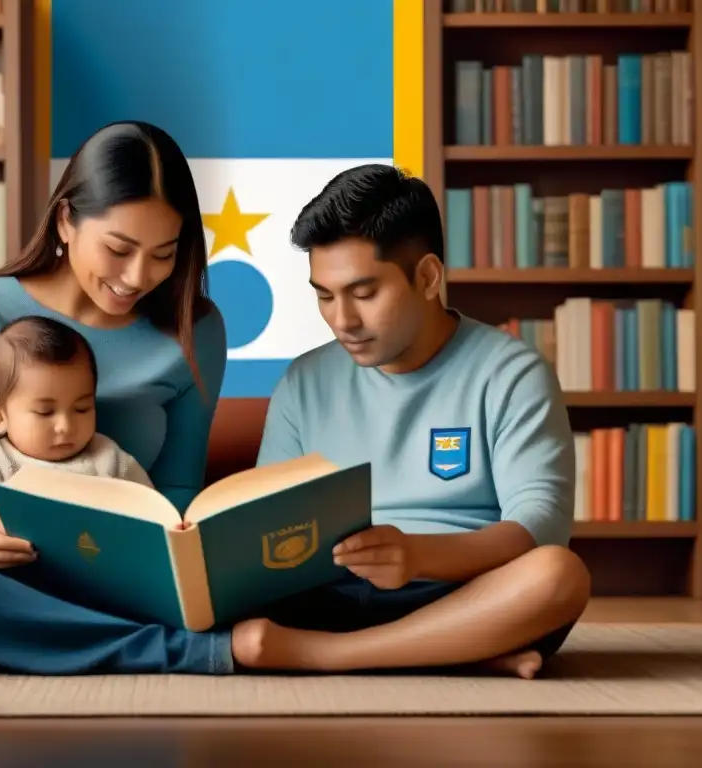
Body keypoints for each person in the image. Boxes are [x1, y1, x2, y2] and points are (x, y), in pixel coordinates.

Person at [0, 121, 242, 675]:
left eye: (164, 253)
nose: (139, 276)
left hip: (120, 579)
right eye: (119, 249)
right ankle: (189, 654)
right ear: (66, 220)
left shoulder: (195, 329)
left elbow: (179, 489)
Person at [230, 164, 591, 679]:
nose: (342, 321)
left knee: (558, 576)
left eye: (364, 293)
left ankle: (325, 656)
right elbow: (263, 517)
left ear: (427, 277)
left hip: (463, 589)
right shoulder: (303, 380)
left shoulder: (511, 372)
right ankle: (462, 653)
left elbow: (539, 525)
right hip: (327, 591)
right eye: (324, 295)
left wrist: (419, 556)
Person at [0, 314, 154, 511]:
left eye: (82, 408)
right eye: (45, 412)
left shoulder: (109, 458)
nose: (66, 426)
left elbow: (152, 507)